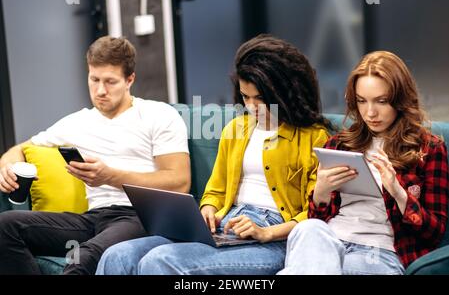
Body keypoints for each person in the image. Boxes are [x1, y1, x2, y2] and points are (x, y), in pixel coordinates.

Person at [95, 34, 330, 275]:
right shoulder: (236, 129)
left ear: (283, 93)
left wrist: (266, 232)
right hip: (228, 227)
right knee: (118, 256)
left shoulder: (314, 137)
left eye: (260, 98)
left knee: (160, 261)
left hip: (274, 238)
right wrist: (208, 210)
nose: (251, 106)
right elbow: (215, 191)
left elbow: (316, 214)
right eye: (245, 97)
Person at [0, 36, 191, 275]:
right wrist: (9, 167)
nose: (100, 90)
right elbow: (17, 149)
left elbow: (180, 183)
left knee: (83, 257)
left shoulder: (158, 115)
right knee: (6, 226)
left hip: (141, 215)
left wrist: (110, 177)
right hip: (93, 219)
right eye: (94, 80)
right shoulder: (78, 121)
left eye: (110, 82)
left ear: (129, 79)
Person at [278, 51, 449, 275]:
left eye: (382, 101)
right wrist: (320, 191)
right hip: (329, 242)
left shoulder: (429, 149)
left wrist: (399, 193)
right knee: (309, 228)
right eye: (361, 101)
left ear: (401, 100)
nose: (370, 113)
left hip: (379, 252)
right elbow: (317, 217)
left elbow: (434, 233)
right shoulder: (338, 145)